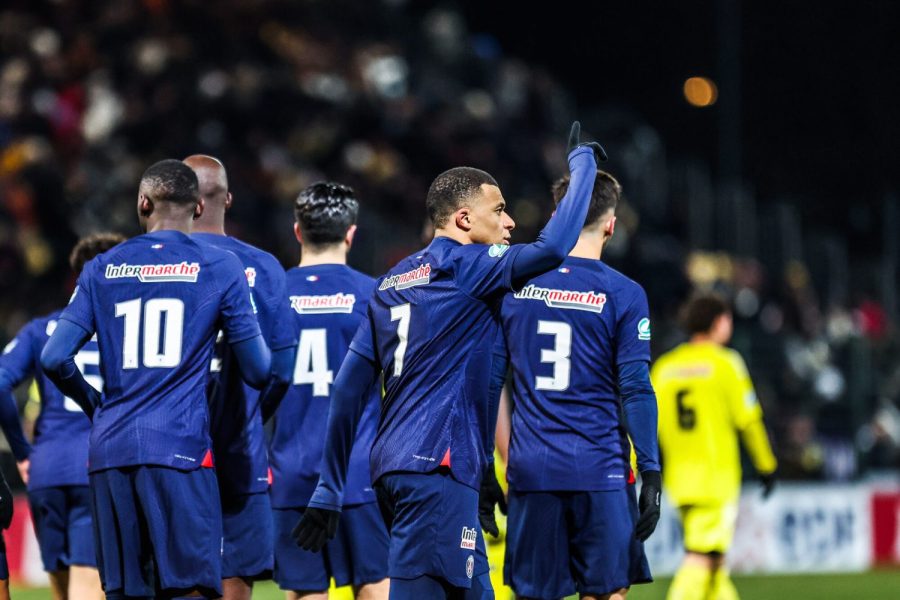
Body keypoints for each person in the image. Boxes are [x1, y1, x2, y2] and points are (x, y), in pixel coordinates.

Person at [294, 122, 606, 599]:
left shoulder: (391, 281)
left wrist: (329, 487)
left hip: (405, 470)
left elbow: (349, 391)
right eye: (499, 211)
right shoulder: (468, 268)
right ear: (463, 219)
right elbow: (553, 247)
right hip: (431, 471)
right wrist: (583, 164)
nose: (509, 223)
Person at [40, 159, 272, 600]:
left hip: (110, 452)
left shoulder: (102, 268)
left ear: (142, 203)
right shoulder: (221, 269)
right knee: (189, 591)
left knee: (126, 592)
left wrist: (96, 404)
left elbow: (55, 358)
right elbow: (260, 370)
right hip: (181, 449)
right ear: (199, 209)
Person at [498, 170, 660, 600]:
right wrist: (652, 470)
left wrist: (480, 463)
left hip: (532, 470)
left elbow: (490, 379)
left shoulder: (515, 284)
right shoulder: (624, 293)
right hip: (600, 468)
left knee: (534, 594)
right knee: (607, 592)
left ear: (558, 215)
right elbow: (636, 389)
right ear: (612, 223)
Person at [265, 181, 389, 600]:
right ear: (351, 234)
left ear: (297, 231)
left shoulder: (271, 296)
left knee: (304, 592)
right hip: (358, 471)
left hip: (291, 470)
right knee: (374, 584)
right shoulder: (375, 295)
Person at [184, 154, 296, 600]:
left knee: (176, 579)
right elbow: (282, 373)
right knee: (234, 582)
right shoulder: (264, 266)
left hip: (171, 449)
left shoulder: (151, 264)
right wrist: (252, 412)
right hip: (241, 451)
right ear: (226, 199)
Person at [0, 232, 124, 600]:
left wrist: (23, 451)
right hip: (97, 467)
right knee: (89, 589)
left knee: (62, 591)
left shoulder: (41, 330)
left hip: (46, 473)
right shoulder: (128, 330)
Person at [652, 294, 777, 600]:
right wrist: (766, 465)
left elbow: (644, 425)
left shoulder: (665, 368)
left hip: (680, 481)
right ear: (719, 322)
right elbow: (749, 421)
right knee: (701, 558)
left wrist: (632, 466)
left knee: (715, 563)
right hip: (716, 480)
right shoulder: (727, 364)